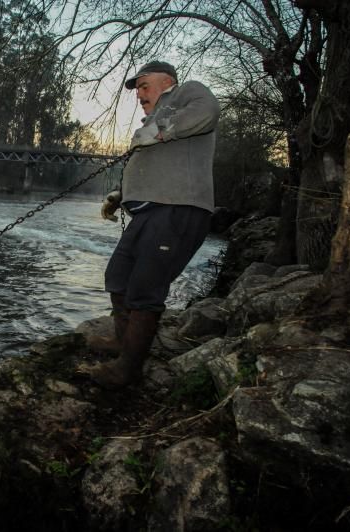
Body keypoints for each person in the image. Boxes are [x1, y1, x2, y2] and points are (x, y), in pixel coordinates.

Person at [87, 60, 220, 389]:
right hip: (151, 211)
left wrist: (157, 131)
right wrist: (120, 196)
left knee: (145, 289)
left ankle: (128, 370)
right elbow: (159, 169)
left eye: (144, 85)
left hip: (178, 210)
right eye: (137, 89)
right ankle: (124, 344)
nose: (139, 94)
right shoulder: (156, 118)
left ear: (168, 82)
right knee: (117, 277)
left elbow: (209, 110)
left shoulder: (188, 93)